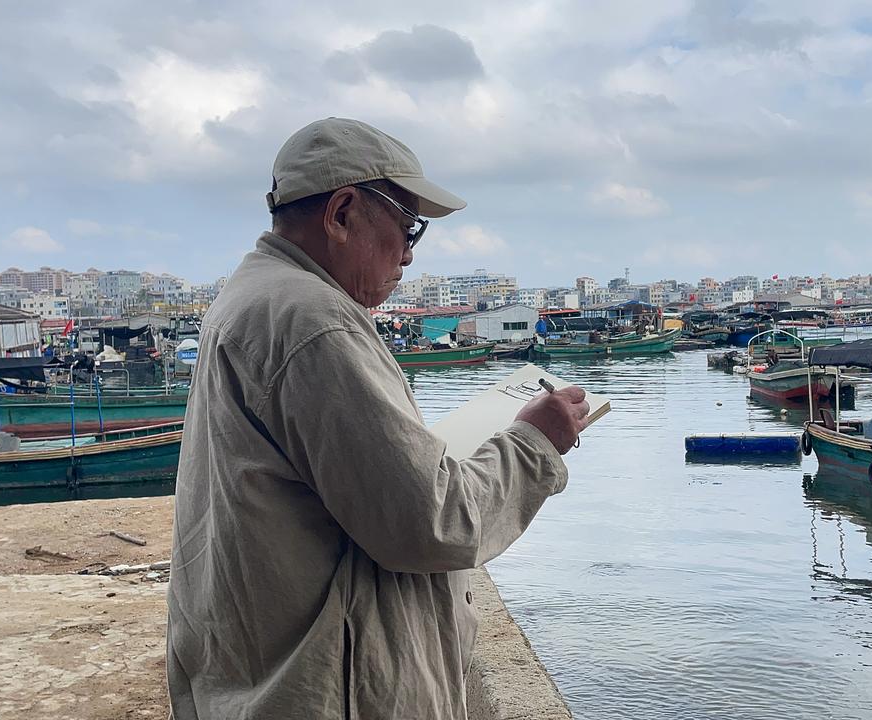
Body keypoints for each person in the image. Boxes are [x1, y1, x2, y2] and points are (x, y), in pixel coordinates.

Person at [167, 118, 589, 720]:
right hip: (326, 690)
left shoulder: (257, 294)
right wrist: (532, 443)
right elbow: (433, 524)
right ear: (341, 214)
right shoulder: (313, 320)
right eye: (407, 226)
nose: (411, 254)